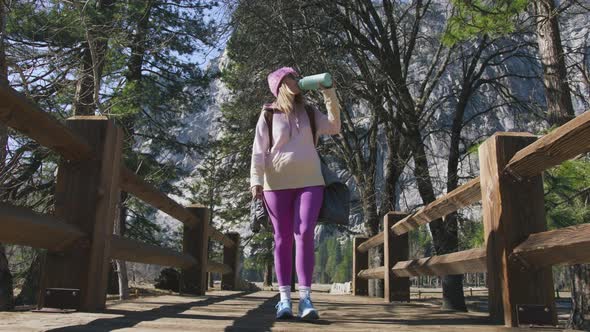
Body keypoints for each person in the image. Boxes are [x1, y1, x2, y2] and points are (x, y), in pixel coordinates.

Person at [250, 67, 341, 320]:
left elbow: (334, 126)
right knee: (282, 238)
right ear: (280, 85)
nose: (296, 79)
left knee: (304, 234)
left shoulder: (310, 112)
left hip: (311, 182)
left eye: (296, 75)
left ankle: (306, 299)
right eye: (290, 77)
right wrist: (255, 181)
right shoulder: (268, 114)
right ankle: (284, 300)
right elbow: (259, 150)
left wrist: (329, 93)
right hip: (276, 185)